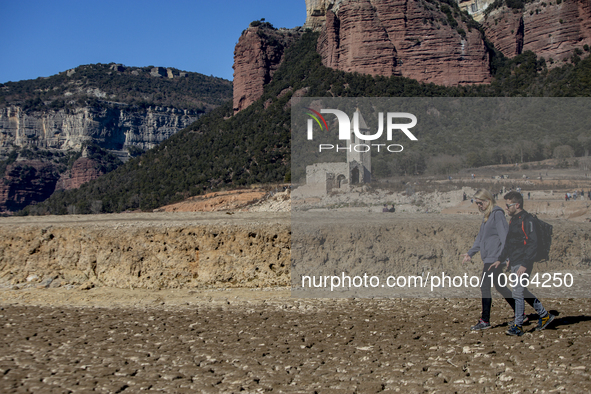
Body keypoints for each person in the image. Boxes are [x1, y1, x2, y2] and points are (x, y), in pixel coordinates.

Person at [490, 191, 555, 336]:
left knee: (517, 292)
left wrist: (525, 264)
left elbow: (533, 244)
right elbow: (510, 243)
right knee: (522, 291)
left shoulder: (528, 220)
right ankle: (544, 316)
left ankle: (518, 326)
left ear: (517, 205)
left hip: (523, 262)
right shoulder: (513, 220)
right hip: (515, 261)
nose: (506, 208)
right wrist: (502, 259)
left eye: (508, 205)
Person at [462, 189, 521, 331]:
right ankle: (520, 312)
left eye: (480, 203)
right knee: (500, 286)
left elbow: (505, 237)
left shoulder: (497, 214)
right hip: (489, 258)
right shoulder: (487, 216)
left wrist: (505, 258)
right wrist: (470, 253)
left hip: (495, 258)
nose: (478, 206)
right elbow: (480, 238)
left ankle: (485, 320)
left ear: (488, 201)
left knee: (484, 286)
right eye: (476, 204)